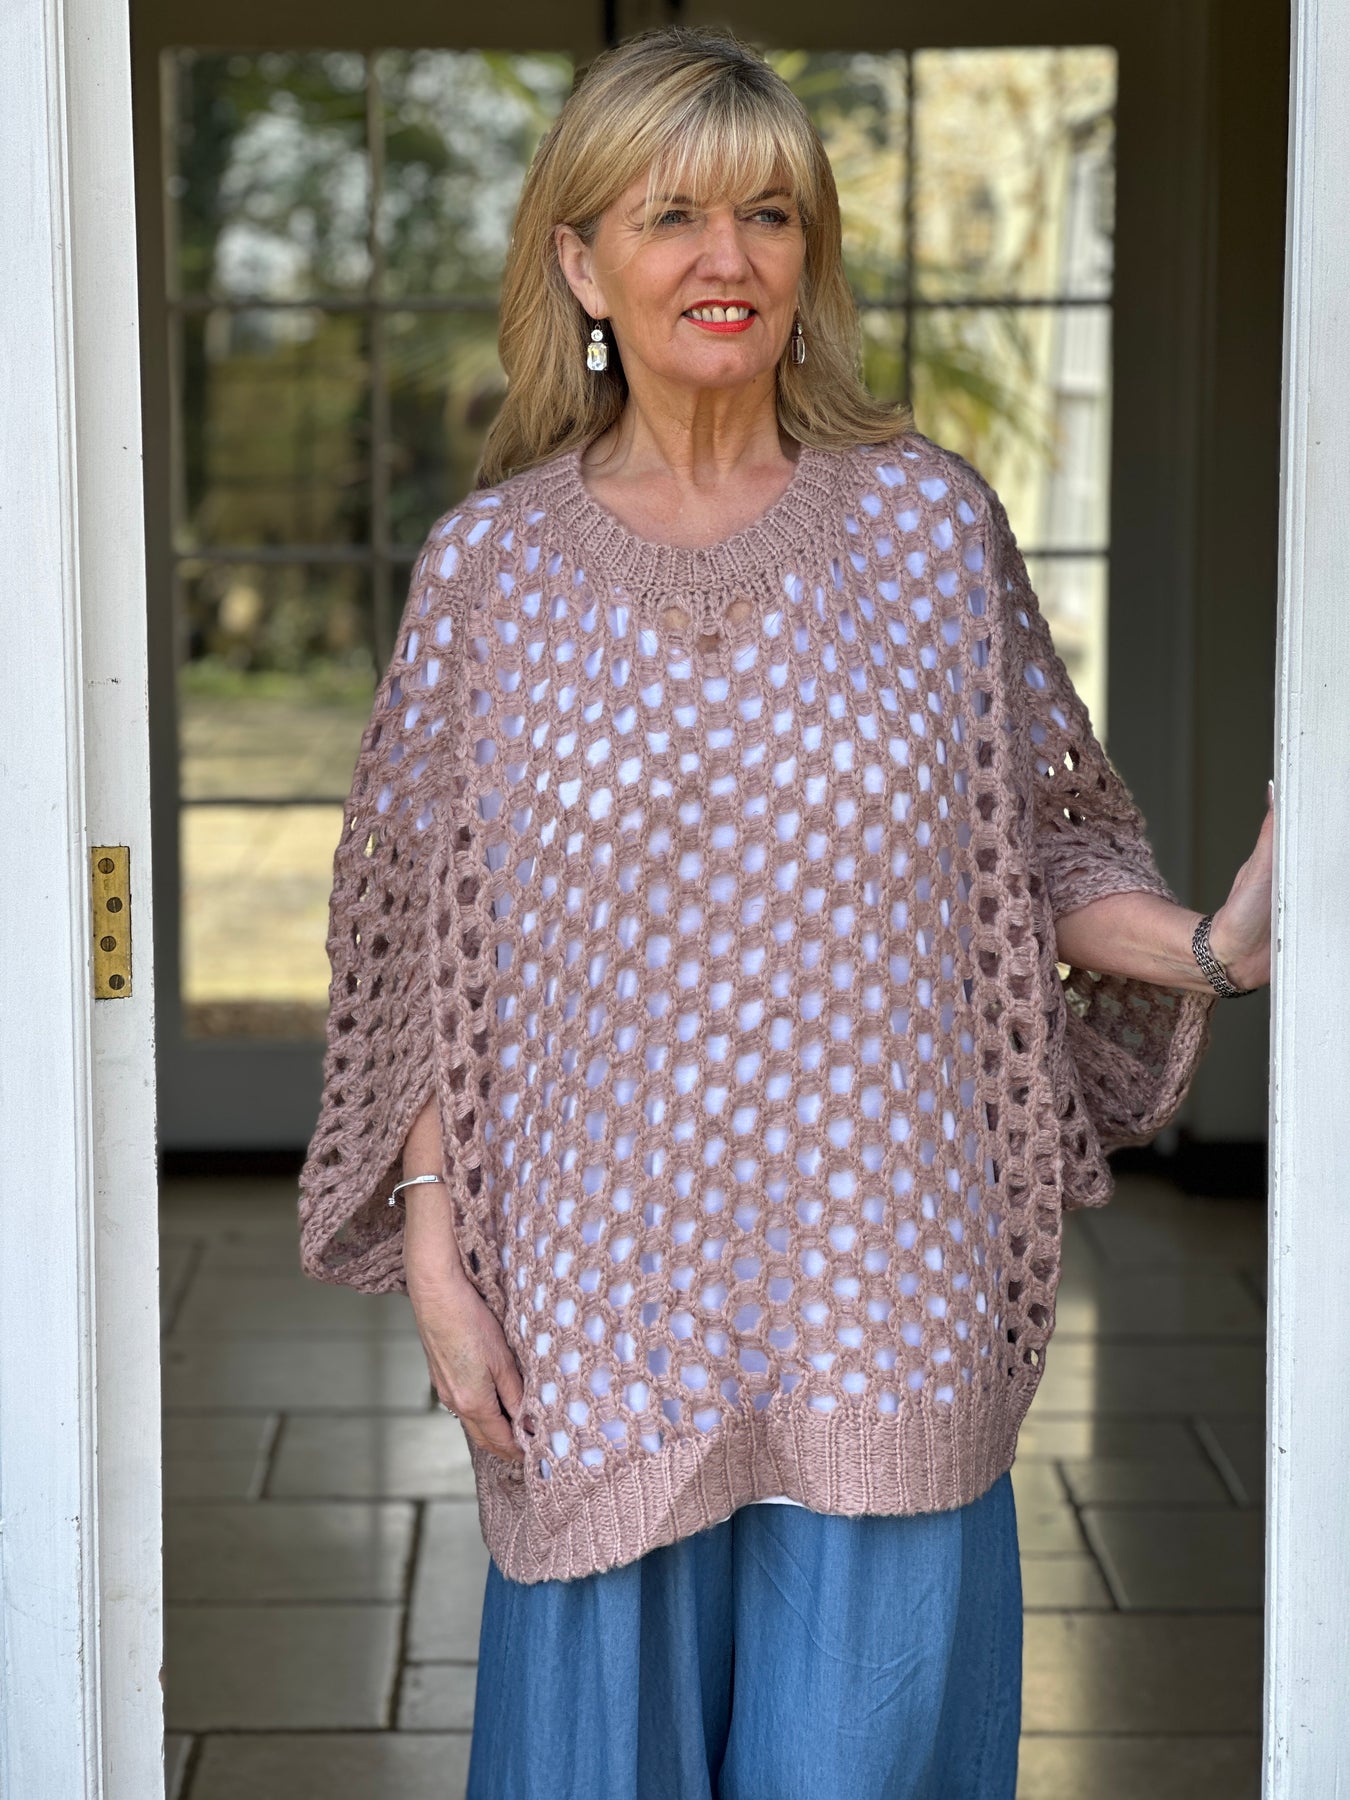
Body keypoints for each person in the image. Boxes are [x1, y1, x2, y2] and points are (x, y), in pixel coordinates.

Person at [297, 26, 1273, 1799]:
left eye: (767, 214)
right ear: (579, 262)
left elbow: (1049, 857)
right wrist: (438, 1248)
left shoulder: (924, 530)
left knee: (863, 1750)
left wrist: (1213, 948)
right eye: (670, 215)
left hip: (883, 1267)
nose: (725, 257)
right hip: (593, 1288)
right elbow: (424, 952)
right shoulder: (489, 574)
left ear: (809, 256)